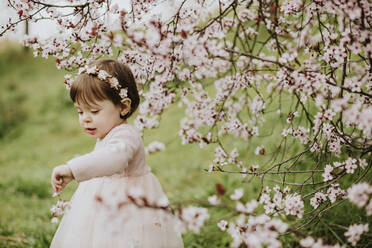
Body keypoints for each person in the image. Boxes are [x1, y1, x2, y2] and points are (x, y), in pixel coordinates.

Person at [50, 59, 184, 248]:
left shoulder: (126, 136)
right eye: (80, 111)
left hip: (129, 206)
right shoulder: (107, 133)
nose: (85, 119)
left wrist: (73, 169)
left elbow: (114, 159)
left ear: (123, 107)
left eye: (94, 111)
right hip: (102, 201)